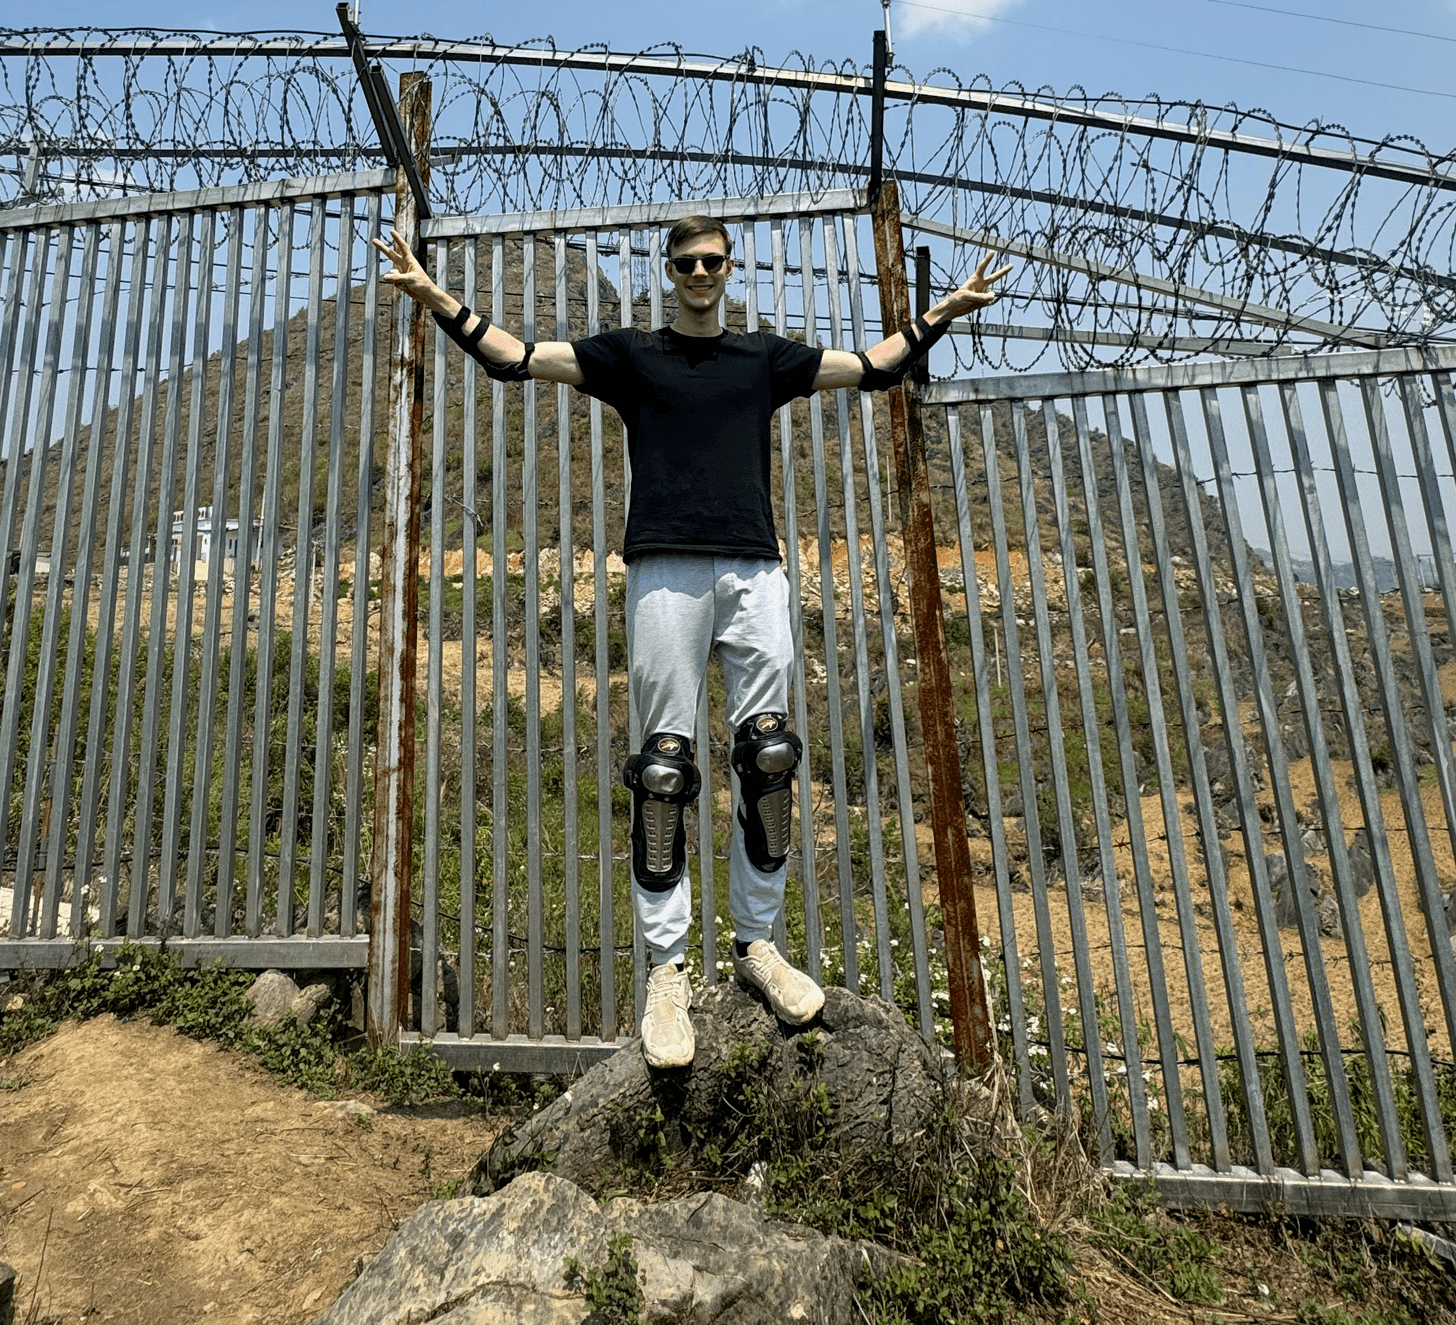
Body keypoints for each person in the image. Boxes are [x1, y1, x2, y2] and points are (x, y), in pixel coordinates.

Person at [381, 212, 1006, 1068]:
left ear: (728, 267)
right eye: (688, 262)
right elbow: (516, 359)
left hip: (754, 569)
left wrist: (948, 311)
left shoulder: (763, 358)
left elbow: (870, 369)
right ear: (669, 270)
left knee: (771, 755)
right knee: (664, 768)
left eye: (713, 260)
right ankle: (666, 971)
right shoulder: (633, 354)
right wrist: (434, 297)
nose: (702, 272)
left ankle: (757, 946)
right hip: (664, 571)